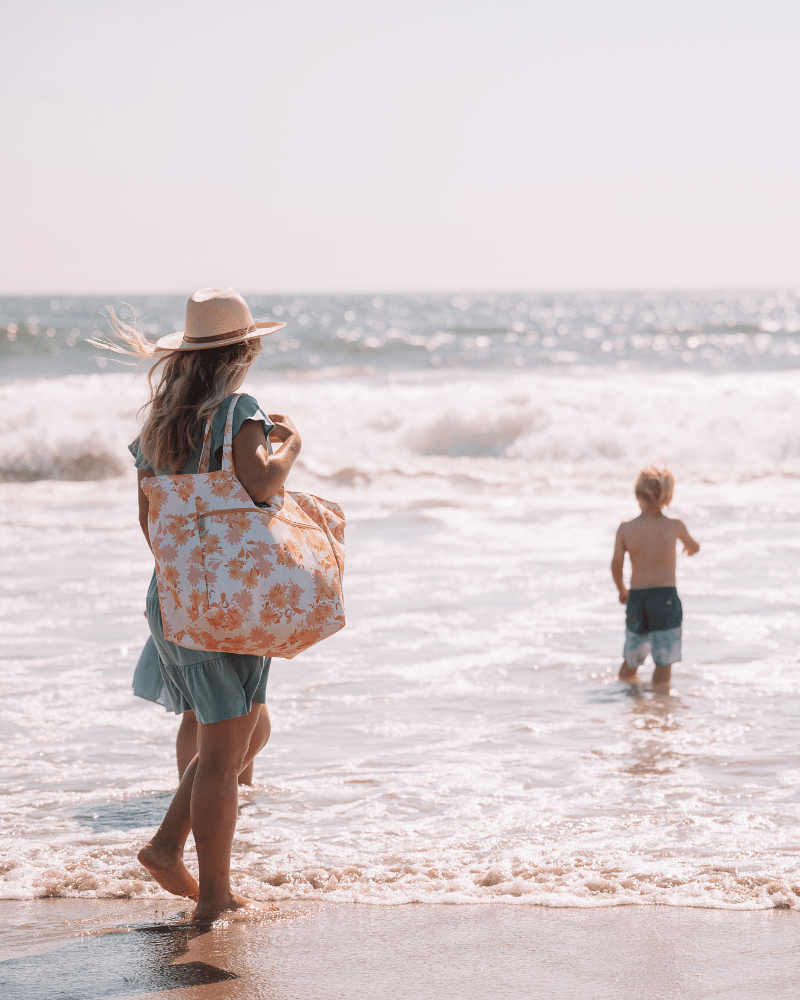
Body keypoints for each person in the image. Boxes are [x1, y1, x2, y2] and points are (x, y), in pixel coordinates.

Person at [102, 287, 301, 922]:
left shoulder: (159, 425)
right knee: (224, 753)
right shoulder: (241, 409)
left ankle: (167, 845)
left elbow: (150, 522)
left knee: (244, 731)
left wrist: (185, 577)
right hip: (231, 600)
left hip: (176, 596)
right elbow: (263, 480)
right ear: (244, 350)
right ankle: (211, 893)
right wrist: (290, 443)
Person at [611, 466, 700, 688]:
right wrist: (691, 548)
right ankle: (659, 707)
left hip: (637, 599)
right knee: (664, 661)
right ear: (668, 498)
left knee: (632, 657)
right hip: (665, 599)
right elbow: (694, 546)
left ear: (637, 494)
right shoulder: (674, 525)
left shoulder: (626, 529)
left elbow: (616, 565)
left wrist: (622, 590)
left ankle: (626, 696)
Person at [133, 638, 255, 785]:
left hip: (186, 629)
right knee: (242, 707)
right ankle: (202, 790)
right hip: (205, 628)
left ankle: (196, 791)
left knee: (198, 714)